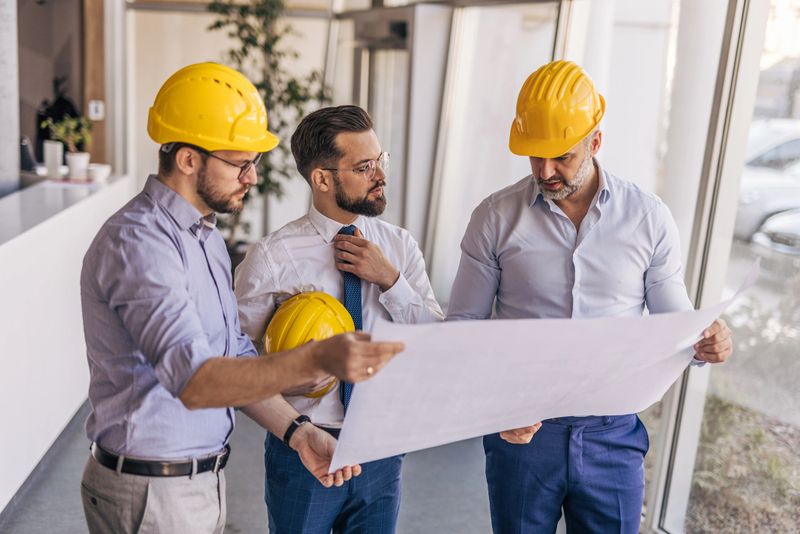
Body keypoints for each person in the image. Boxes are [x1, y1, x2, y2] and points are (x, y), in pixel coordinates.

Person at [79, 64, 403, 534]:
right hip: (150, 490)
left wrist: (297, 432)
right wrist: (317, 358)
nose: (252, 177)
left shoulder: (204, 235)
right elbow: (196, 380)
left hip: (198, 481)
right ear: (189, 160)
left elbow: (234, 353)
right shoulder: (139, 243)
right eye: (239, 163)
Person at [446, 59, 733, 533]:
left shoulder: (649, 218)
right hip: (522, 432)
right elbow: (462, 329)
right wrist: (491, 409)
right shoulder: (494, 218)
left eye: (562, 156)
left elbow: (674, 325)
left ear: (595, 142)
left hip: (613, 436)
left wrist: (706, 343)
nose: (546, 170)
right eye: (535, 156)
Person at [234, 104, 444, 534]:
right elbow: (238, 362)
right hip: (304, 444)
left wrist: (390, 280)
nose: (381, 175)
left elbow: (436, 342)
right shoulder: (273, 258)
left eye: (380, 161)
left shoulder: (399, 248)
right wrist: (290, 373)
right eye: (364, 166)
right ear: (323, 179)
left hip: (382, 443)